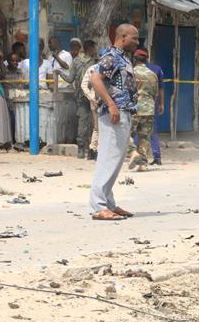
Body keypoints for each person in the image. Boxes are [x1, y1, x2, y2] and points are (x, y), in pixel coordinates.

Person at [89, 24, 140, 221]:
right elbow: (96, 79)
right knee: (108, 159)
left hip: (123, 112)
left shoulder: (123, 58)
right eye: (134, 38)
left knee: (116, 160)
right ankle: (99, 206)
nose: (137, 42)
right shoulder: (111, 56)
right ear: (123, 37)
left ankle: (108, 203)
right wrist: (111, 104)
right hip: (114, 115)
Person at [128, 50, 160, 171]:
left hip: (133, 109)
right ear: (146, 60)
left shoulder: (130, 73)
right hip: (149, 109)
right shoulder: (153, 75)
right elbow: (155, 94)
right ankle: (142, 164)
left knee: (126, 134)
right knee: (145, 137)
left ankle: (132, 153)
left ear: (134, 59)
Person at [67, 39, 98, 158]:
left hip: (81, 96)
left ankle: (83, 149)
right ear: (90, 49)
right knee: (95, 125)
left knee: (83, 123)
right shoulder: (96, 63)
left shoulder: (76, 61)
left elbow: (70, 79)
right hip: (93, 97)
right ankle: (89, 149)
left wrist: (59, 73)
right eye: (94, 48)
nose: (95, 50)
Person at [139, 49, 166, 165]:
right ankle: (157, 156)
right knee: (153, 131)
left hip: (137, 105)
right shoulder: (156, 69)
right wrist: (161, 103)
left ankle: (140, 157)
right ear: (148, 56)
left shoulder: (133, 70)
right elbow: (161, 88)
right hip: (151, 104)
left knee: (138, 131)